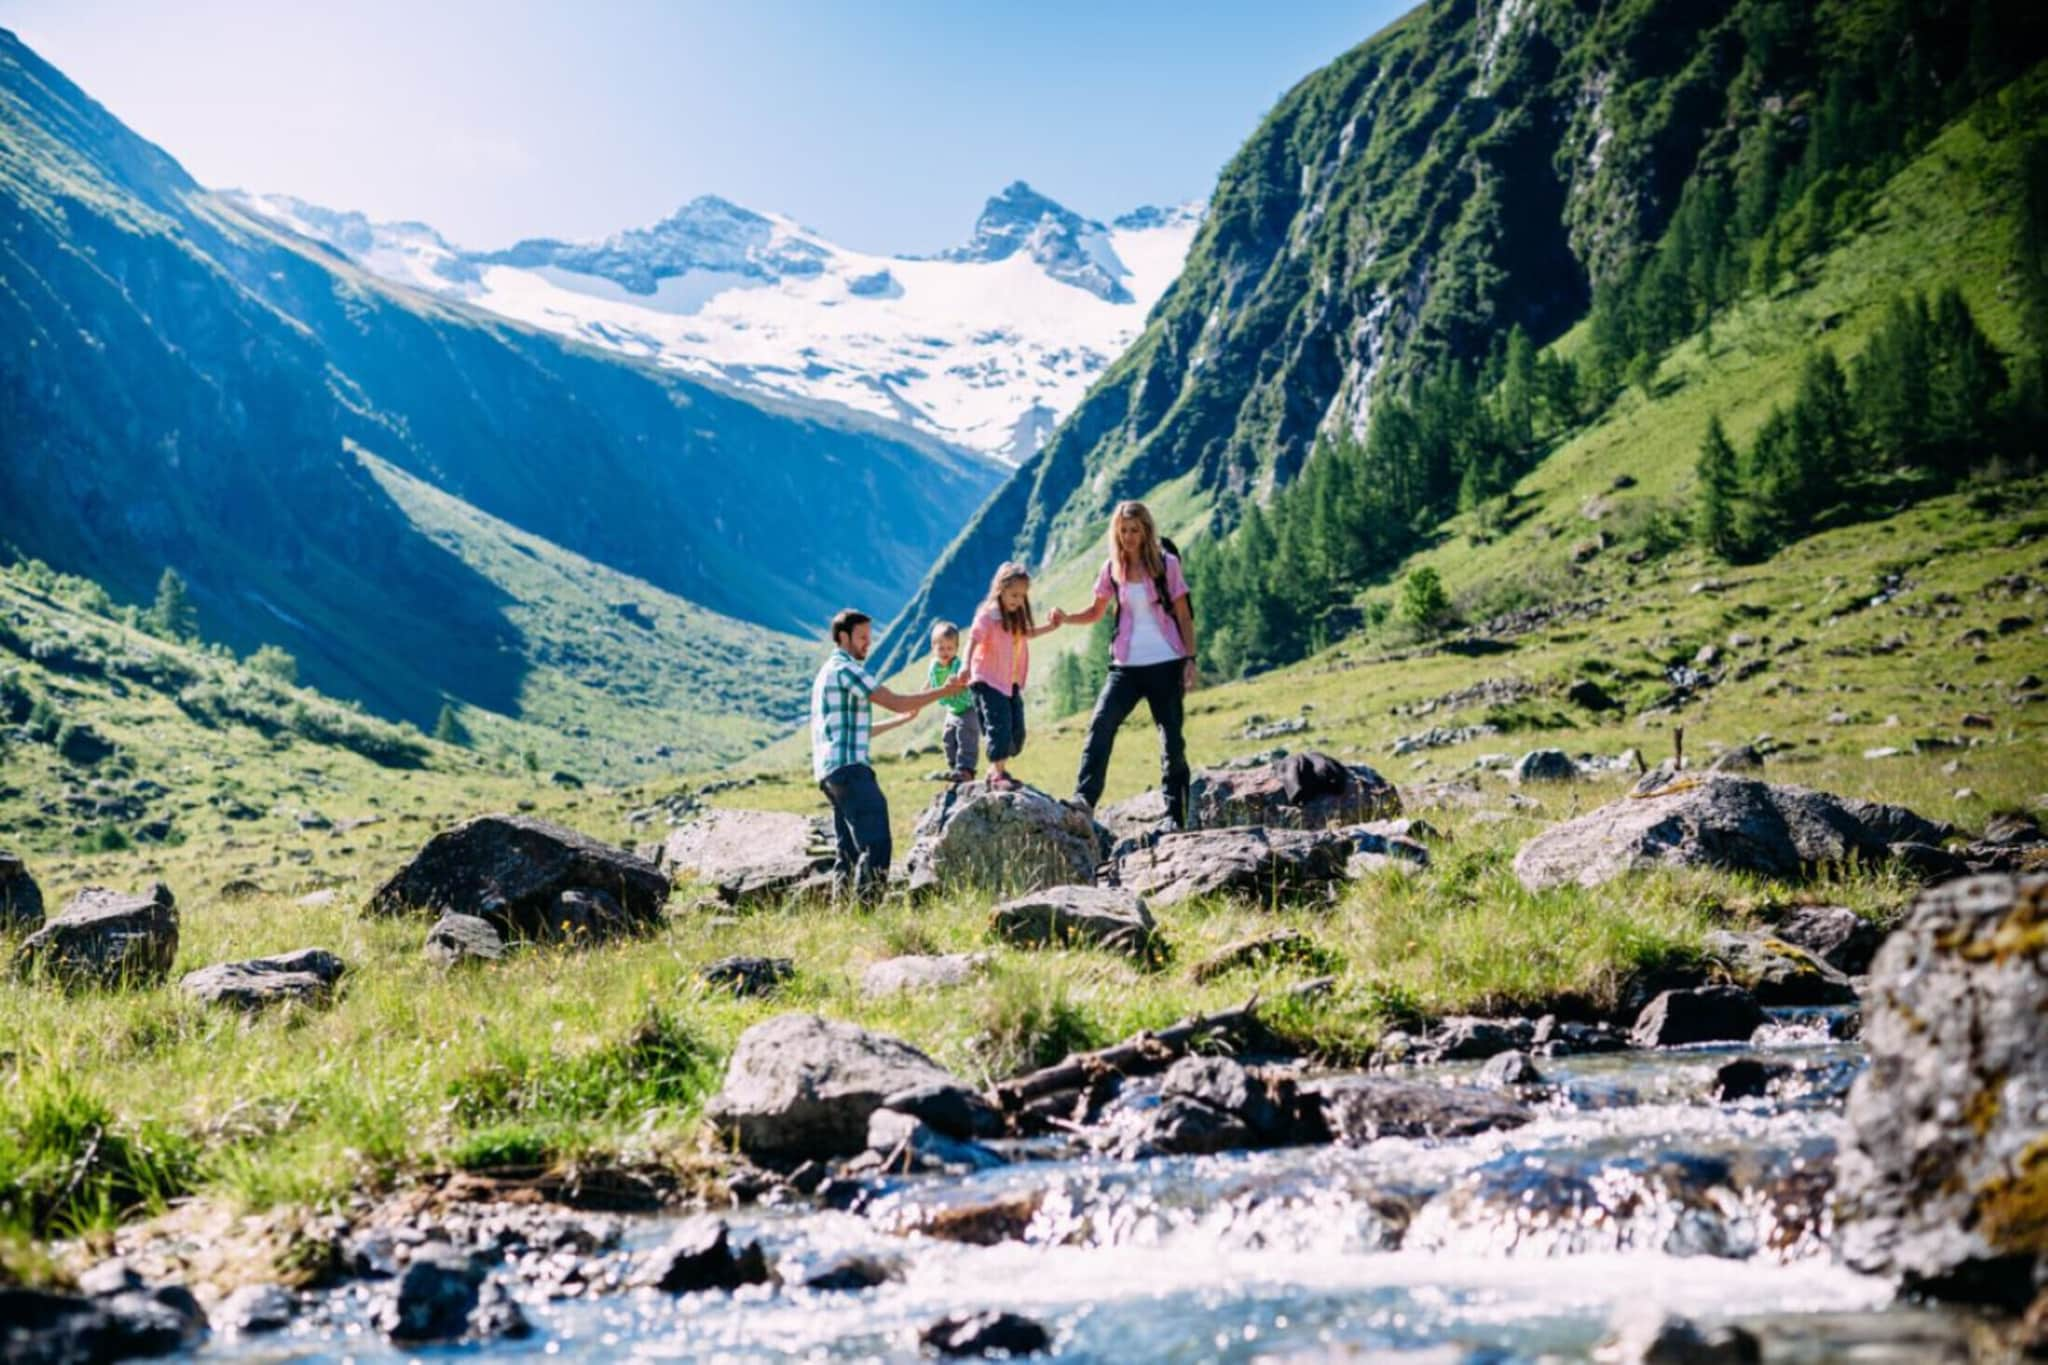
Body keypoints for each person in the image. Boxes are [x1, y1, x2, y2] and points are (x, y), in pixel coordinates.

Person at [811, 608, 965, 903]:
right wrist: (943, 691)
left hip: (830, 774)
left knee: (849, 851)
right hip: (852, 770)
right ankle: (866, 912)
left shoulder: (825, 674)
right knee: (877, 843)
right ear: (843, 637)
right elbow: (893, 700)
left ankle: (843, 913)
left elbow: (856, 730)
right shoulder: (846, 670)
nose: (868, 643)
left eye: (870, 636)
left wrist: (903, 720)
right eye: (862, 637)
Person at [1059, 500, 1197, 826]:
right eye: (1123, 531)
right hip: (1126, 666)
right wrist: (1066, 618)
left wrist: (1190, 659)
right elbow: (1096, 612)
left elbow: (1183, 614)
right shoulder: (1112, 569)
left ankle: (1176, 815)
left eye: (1135, 530)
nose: (1129, 537)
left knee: (1171, 739)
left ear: (1146, 530)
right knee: (1101, 723)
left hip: (1166, 661)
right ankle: (1085, 798)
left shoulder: (1167, 564)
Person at [967, 562, 1068, 790]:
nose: (1018, 600)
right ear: (1000, 589)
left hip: (1009, 681)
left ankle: (996, 769)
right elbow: (972, 640)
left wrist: (1051, 627)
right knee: (999, 726)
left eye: (1022, 596)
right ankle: (998, 774)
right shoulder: (988, 616)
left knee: (1017, 734)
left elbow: (1026, 634)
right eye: (1013, 594)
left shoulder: (1015, 616)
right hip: (988, 680)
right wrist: (965, 667)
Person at [925, 621, 980, 782]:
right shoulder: (934, 666)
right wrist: (921, 696)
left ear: (956, 649)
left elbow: (968, 677)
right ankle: (954, 767)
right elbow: (930, 681)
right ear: (933, 648)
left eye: (950, 648)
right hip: (952, 708)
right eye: (941, 648)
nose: (945, 652)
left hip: (968, 707)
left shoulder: (958, 665)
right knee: (948, 738)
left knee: (966, 736)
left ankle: (966, 769)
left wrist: (959, 680)